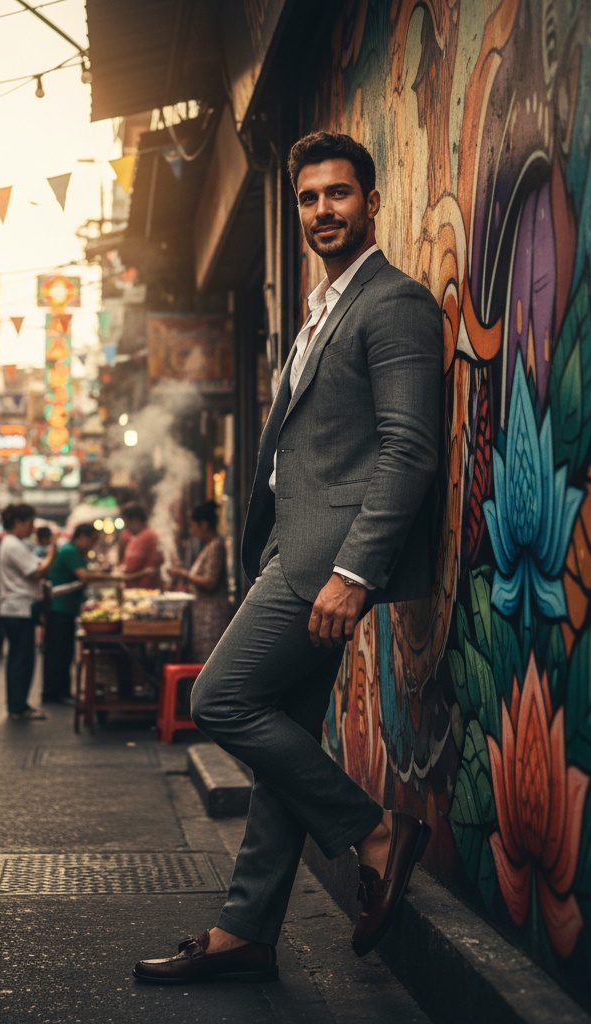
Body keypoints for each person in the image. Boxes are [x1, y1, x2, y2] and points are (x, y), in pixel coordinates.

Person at [134, 131, 442, 983]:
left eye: (337, 195)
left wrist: (352, 573)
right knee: (286, 747)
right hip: (293, 550)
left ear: (370, 203)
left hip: (324, 563)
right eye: (308, 199)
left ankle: (376, 829)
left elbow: (409, 449)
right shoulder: (321, 308)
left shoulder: (395, 302)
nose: (321, 211)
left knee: (220, 698)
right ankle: (246, 933)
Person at [42, 523, 110, 705]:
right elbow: (84, 576)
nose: (92, 546)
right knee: (59, 653)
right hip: (59, 608)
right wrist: (112, 577)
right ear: (82, 537)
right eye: (92, 541)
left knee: (64, 652)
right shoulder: (70, 551)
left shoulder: (72, 551)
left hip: (65, 608)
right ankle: (54, 692)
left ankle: (60, 691)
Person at [0, 504, 53, 720]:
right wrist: (52, 552)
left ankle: (19, 705)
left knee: (21, 659)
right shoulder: (12, 544)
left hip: (18, 609)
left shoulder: (15, 543)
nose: (32, 528)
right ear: (18, 522)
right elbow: (37, 571)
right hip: (17, 609)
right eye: (30, 523)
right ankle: (17, 707)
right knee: (22, 659)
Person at [167, 501, 231, 663]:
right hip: (203, 615)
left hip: (212, 616)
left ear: (204, 524)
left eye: (192, 525)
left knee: (210, 661)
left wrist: (183, 574)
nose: (191, 530)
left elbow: (210, 582)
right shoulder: (209, 546)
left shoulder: (216, 545)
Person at [119, 504, 163, 589]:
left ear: (135, 520)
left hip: (145, 590)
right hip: (137, 590)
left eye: (126, 522)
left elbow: (131, 569)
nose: (126, 527)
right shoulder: (137, 537)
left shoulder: (148, 536)